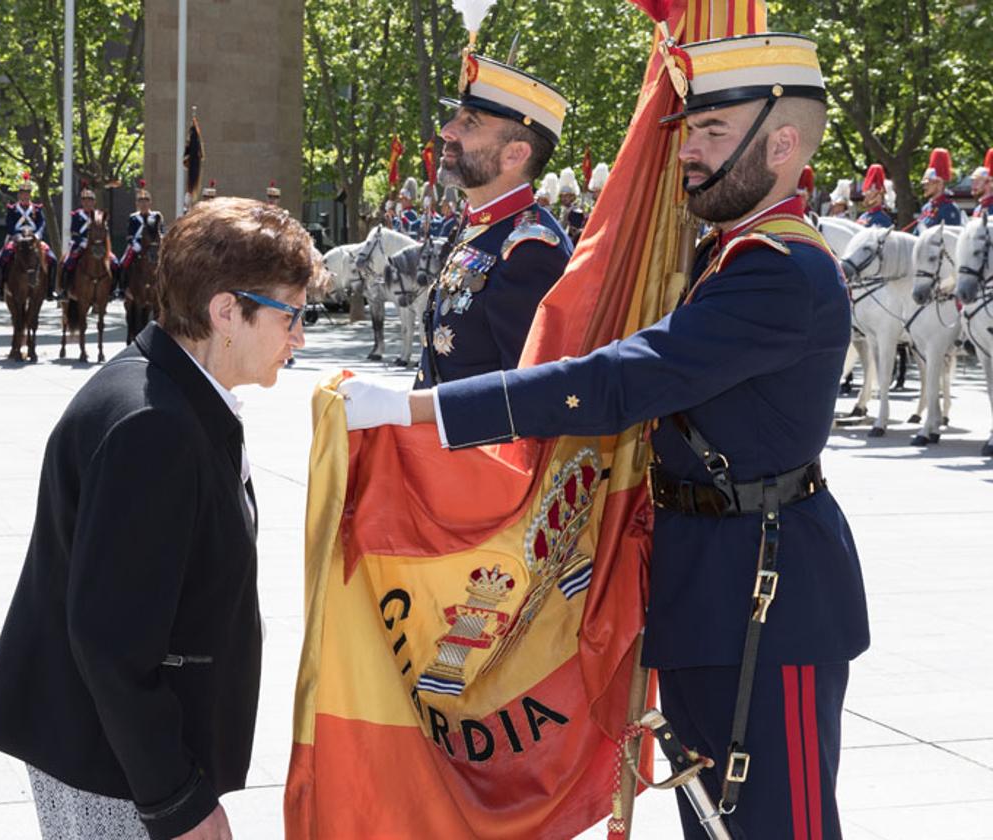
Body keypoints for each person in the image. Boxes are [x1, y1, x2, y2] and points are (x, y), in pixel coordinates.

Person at [343, 31, 868, 840]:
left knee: (773, 826)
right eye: (688, 131)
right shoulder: (726, 253)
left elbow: (624, 380)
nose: (688, 153)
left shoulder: (779, 269)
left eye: (712, 134)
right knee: (717, 823)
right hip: (708, 579)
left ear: (785, 142)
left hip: (767, 593)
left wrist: (423, 412)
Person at [0, 197, 321, 840]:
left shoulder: (168, 391)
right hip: (117, 765)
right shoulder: (154, 425)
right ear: (226, 312)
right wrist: (176, 801)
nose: (299, 337)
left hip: (118, 748)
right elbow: (111, 641)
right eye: (291, 315)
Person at [417, 49, 573, 388]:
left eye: (469, 122)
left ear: (515, 154)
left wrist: (415, 412)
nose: (446, 130)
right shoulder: (479, 227)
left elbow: (524, 396)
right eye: (454, 117)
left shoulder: (530, 249)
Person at [0, 173, 54, 300]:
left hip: (34, 238)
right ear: (19, 194)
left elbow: (41, 223)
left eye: (27, 193)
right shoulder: (12, 209)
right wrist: (16, 236)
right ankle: (0, 289)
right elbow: (9, 225)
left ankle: (50, 290)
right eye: (22, 193)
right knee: (1, 258)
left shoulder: (37, 209)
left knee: (52, 259)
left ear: (30, 194)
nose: (25, 195)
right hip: (17, 238)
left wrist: (38, 235)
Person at [59, 184, 115, 300]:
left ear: (94, 202)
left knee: (115, 263)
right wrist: (83, 242)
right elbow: (74, 233)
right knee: (67, 263)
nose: (87, 203)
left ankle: (113, 290)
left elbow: (104, 232)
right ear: (82, 202)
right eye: (85, 201)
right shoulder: (76, 216)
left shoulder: (99, 216)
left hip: (98, 246)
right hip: (80, 244)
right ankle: (65, 289)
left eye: (90, 201)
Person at [119, 181, 165, 298]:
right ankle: (123, 288)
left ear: (150, 203)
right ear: (137, 204)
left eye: (146, 201)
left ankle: (166, 288)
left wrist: (160, 242)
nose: (143, 204)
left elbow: (162, 232)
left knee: (166, 263)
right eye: (141, 201)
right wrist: (135, 246)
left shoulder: (156, 216)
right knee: (123, 262)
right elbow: (129, 236)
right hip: (137, 245)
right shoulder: (133, 218)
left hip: (153, 246)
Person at [915, 148, 963, 233]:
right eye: (924, 183)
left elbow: (950, 239)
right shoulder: (926, 207)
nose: (925, 187)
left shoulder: (949, 209)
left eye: (928, 183)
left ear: (939, 184)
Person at [556, 167, 586, 241]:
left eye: (566, 196)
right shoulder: (563, 209)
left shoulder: (576, 211)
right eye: (562, 196)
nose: (563, 198)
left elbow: (574, 233)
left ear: (572, 197)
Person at [971, 149, 993, 220]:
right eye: (973, 182)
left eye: (977, 182)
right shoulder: (978, 208)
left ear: (989, 183)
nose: (973, 186)